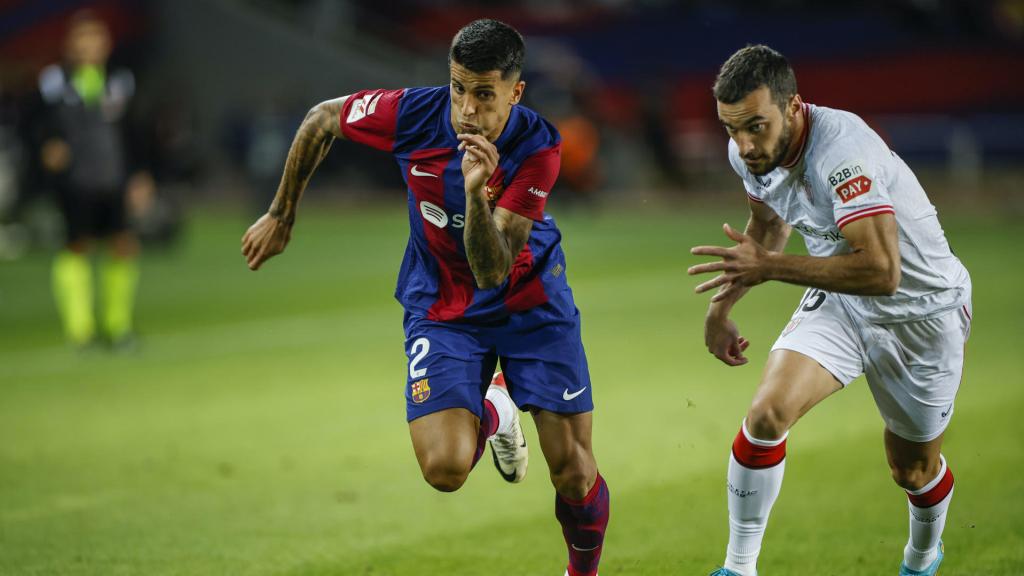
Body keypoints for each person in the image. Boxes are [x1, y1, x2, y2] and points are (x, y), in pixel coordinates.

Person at [241, 19, 609, 576]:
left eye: (484, 94)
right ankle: (495, 409)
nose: (466, 108)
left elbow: (493, 270)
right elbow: (322, 119)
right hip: (442, 305)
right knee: (444, 468)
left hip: (529, 302)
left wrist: (474, 194)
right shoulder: (411, 113)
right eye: (459, 87)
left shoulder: (539, 146)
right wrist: (281, 213)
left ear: (516, 92)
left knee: (573, 472)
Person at [688, 45, 971, 576]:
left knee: (911, 469)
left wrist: (770, 267)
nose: (744, 145)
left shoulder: (843, 152)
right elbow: (769, 225)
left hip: (922, 313)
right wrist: (721, 307)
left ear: (794, 106)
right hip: (842, 300)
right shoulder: (750, 151)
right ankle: (738, 568)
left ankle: (920, 558)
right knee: (766, 416)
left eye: (755, 126)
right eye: (731, 129)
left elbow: (883, 272)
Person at [34, 11, 150, 349]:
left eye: (96, 38)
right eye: (83, 38)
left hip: (113, 177)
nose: (90, 45)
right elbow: (36, 123)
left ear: (107, 43)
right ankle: (80, 330)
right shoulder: (54, 81)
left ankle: (118, 327)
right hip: (75, 180)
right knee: (77, 246)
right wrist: (47, 145)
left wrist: (141, 174)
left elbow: (134, 132)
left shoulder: (119, 81)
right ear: (70, 44)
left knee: (123, 245)